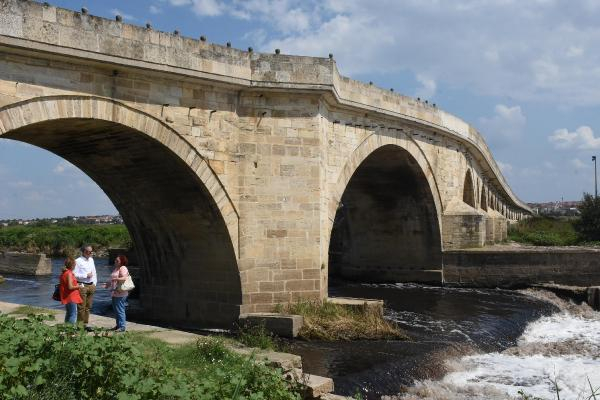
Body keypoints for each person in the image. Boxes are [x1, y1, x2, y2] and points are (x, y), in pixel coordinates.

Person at [103, 255, 130, 332]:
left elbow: (125, 278)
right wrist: (107, 285)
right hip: (115, 292)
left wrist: (116, 279)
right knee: (116, 309)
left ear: (122, 262)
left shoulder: (123, 268)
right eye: (115, 260)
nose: (115, 261)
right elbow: (112, 279)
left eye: (117, 261)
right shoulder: (116, 268)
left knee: (120, 309)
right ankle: (118, 325)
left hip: (121, 293)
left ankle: (122, 327)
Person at [73, 245, 97, 329]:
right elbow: (74, 274)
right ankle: (79, 326)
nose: (90, 253)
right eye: (88, 252)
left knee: (88, 307)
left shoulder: (91, 260)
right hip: (82, 285)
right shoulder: (77, 261)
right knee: (81, 307)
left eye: (91, 252)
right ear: (83, 252)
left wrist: (95, 284)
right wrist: (85, 275)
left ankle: (85, 324)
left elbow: (94, 272)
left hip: (91, 285)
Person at [60, 257, 82, 324]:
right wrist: (79, 286)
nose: (75, 266)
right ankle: (70, 331)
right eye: (75, 265)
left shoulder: (63, 273)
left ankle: (66, 328)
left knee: (69, 313)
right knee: (73, 314)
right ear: (72, 265)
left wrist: (76, 284)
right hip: (71, 296)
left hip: (66, 296)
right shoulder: (69, 273)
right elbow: (70, 287)